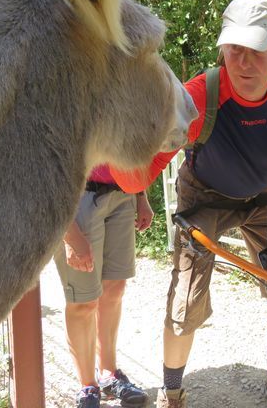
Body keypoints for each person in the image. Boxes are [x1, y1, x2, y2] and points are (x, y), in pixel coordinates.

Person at [111, 0, 267, 408]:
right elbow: (135, 172)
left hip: (263, 194)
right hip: (203, 197)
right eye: (234, 48)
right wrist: (118, 136)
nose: (244, 62)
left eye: (258, 49)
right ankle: (172, 392)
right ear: (222, 46)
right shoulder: (199, 95)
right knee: (187, 295)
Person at [54, 164, 154, 408]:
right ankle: (88, 386)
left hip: (123, 194)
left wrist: (141, 195)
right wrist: (68, 231)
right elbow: (43, 164)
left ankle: (109, 374)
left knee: (114, 290)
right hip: (77, 199)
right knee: (83, 301)